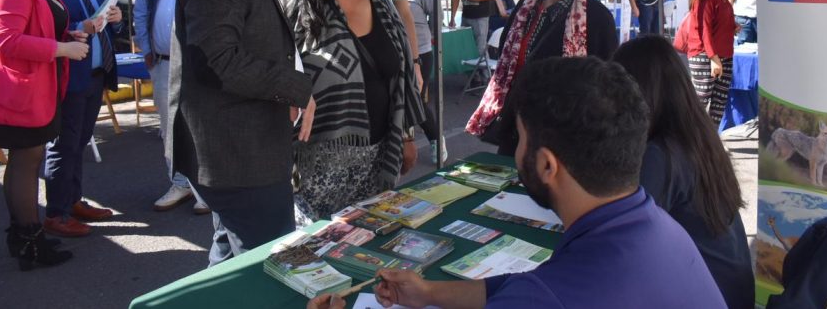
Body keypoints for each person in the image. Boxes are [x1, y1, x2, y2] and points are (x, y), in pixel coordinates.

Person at [307, 57, 726, 309]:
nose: (514, 150)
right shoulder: (655, 224)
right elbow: (521, 285)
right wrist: (428, 291)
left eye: (520, 138)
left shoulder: (551, 297)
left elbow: (534, 295)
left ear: (547, 165)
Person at [170, 0, 320, 265]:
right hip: (240, 158)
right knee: (269, 269)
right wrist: (297, 89)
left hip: (239, 151)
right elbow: (218, 61)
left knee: (230, 265)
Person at [281, 0, 424, 223]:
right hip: (316, 165)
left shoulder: (382, 5)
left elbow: (401, 79)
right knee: (318, 253)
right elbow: (275, 71)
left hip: (379, 155)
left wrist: (407, 137)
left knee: (369, 243)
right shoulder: (298, 5)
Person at [613, 35, 754, 309]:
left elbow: (623, 240)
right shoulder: (697, 137)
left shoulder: (661, 155)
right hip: (729, 293)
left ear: (639, 92)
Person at [0, 0, 88, 270]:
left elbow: (36, 30)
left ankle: (24, 236)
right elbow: (7, 41)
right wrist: (62, 50)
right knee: (25, 165)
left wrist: (65, 38)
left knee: (27, 163)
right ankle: (29, 240)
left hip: (37, 91)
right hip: (20, 92)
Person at [466, 0, 616, 153]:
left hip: (564, 129)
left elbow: (606, 79)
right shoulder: (527, 5)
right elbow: (505, 51)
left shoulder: (597, 16)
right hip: (517, 121)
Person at [43, 0, 122, 238]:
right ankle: (56, 213)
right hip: (67, 78)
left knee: (79, 143)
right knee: (64, 145)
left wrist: (116, 19)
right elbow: (45, 32)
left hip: (94, 76)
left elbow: (112, 31)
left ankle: (72, 201)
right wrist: (79, 27)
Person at [132, 0, 210, 214]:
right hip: (163, 62)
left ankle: (204, 188)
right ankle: (178, 182)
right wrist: (146, 47)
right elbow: (141, 10)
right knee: (169, 128)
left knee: (201, 126)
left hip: (198, 64)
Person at [396, 0, 446, 163]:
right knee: (396, 99)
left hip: (421, 51)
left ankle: (436, 139)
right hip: (394, 52)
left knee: (417, 101)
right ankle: (402, 146)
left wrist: (434, 38)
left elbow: (436, 13)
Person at [686, 0, 736, 125]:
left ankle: (710, 144)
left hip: (723, 55)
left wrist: (732, 27)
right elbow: (703, 30)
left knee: (718, 104)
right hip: (705, 55)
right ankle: (692, 145)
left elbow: (716, 24)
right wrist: (713, 59)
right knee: (701, 103)